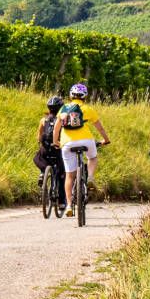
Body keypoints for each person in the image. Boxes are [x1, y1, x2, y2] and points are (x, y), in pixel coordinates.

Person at [53, 82, 110, 215]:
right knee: (93, 157)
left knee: (69, 176)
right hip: (86, 140)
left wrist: (56, 141)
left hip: (67, 143)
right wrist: (106, 140)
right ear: (85, 96)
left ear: (71, 95)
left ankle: (68, 206)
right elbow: (99, 127)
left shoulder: (63, 108)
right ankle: (89, 177)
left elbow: (57, 127)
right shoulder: (88, 109)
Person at [34, 95, 66, 207]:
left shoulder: (43, 120)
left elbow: (39, 136)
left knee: (37, 158)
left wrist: (41, 145)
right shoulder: (62, 119)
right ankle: (62, 202)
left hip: (46, 149)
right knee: (62, 173)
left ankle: (43, 172)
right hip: (58, 149)